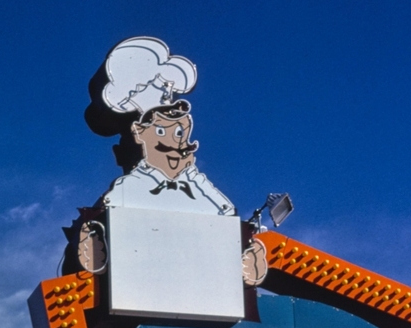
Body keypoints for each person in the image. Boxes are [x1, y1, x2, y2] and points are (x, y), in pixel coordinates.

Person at [74, 37, 267, 286]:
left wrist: (243, 242)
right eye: (163, 131)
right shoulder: (135, 185)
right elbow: (112, 203)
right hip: (138, 262)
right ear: (139, 134)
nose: (178, 144)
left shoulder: (195, 182)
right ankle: (101, 246)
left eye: (180, 132)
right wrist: (96, 229)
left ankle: (243, 262)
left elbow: (223, 209)